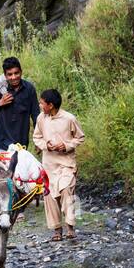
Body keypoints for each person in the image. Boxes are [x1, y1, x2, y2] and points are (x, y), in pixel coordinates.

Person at [33, 88, 85, 242]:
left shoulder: (69, 118)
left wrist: (67, 145)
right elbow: (37, 137)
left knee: (66, 190)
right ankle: (57, 230)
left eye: (42, 103)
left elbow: (80, 137)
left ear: (50, 105)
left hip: (66, 163)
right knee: (49, 197)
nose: (40, 106)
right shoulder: (41, 118)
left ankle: (70, 227)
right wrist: (46, 146)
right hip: (49, 165)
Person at [0, 56, 38, 151]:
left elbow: (36, 115)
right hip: (0, 142)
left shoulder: (29, 89)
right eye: (10, 74)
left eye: (16, 73)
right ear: (5, 75)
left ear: (21, 71)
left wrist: (38, 140)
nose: (14, 77)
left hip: (21, 143)